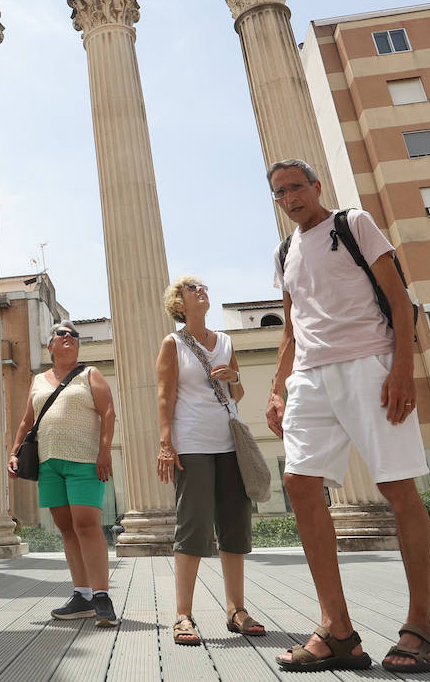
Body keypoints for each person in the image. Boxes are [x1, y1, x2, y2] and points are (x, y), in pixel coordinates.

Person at [266, 159, 430, 673]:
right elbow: (291, 327)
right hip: (309, 377)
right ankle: (338, 630)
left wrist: (403, 370)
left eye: (296, 187)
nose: (290, 197)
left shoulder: (353, 224)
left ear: (316, 187)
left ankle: (421, 628)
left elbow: (399, 299)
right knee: (299, 484)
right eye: (280, 192)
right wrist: (278, 390)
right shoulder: (284, 252)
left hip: (369, 365)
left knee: (397, 487)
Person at [155, 276, 264, 647]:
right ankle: (183, 615)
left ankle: (237, 610)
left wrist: (235, 376)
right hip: (193, 444)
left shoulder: (227, 342)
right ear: (180, 303)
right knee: (193, 526)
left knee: (235, 525)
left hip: (229, 444)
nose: (201, 291)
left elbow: (239, 392)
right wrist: (166, 443)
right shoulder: (173, 344)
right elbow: (164, 396)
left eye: (203, 287)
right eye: (192, 289)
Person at [7, 321, 119, 627]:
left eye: (73, 334)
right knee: (66, 528)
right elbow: (28, 420)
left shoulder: (89, 374)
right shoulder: (37, 380)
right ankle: (81, 595)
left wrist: (104, 451)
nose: (68, 336)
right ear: (50, 347)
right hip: (49, 464)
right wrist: (15, 451)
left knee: (87, 524)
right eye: (61, 333)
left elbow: (108, 412)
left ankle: (102, 596)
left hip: (84, 460)